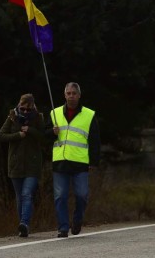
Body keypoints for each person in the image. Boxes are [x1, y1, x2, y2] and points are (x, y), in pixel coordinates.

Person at [49, 82, 100, 238]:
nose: (71, 96)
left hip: (80, 163)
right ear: (64, 95)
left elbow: (95, 140)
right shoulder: (54, 113)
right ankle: (63, 227)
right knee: (60, 196)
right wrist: (52, 132)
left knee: (82, 195)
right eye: (68, 93)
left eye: (74, 93)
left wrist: (94, 161)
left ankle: (77, 220)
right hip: (60, 162)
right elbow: (44, 135)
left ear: (79, 95)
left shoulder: (89, 115)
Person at [0, 93, 45, 237]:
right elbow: (1, 135)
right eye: (22, 109)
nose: (25, 112)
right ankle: (22, 227)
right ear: (19, 106)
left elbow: (43, 136)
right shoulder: (12, 117)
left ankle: (24, 223)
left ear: (33, 108)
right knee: (19, 196)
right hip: (15, 164)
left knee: (27, 194)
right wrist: (18, 135)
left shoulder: (38, 118)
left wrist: (30, 130)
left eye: (28, 110)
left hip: (32, 165)